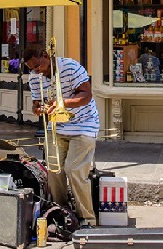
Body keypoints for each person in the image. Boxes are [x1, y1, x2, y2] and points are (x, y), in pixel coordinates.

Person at [23, 48, 100, 228]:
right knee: (54, 170)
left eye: (38, 65)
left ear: (45, 55)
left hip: (83, 124)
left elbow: (86, 95)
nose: (37, 71)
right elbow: (36, 104)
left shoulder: (71, 67)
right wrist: (38, 109)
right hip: (57, 126)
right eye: (32, 69)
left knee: (74, 169)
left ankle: (87, 218)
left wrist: (62, 102)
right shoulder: (34, 77)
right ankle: (62, 211)